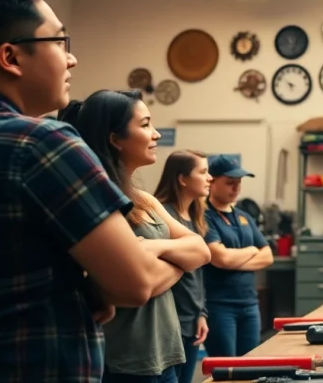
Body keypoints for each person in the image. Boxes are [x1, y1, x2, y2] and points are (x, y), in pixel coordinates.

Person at [0, 0, 172, 382]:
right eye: (59, 42)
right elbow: (135, 284)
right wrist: (96, 288)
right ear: (11, 57)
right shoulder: (41, 144)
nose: (71, 58)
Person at [59, 90, 212, 383]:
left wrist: (152, 247)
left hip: (164, 355)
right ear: (115, 139)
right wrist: (178, 258)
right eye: (145, 125)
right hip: (123, 364)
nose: (155, 134)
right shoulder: (93, 200)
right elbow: (138, 285)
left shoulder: (144, 199)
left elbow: (200, 251)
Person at [203, 154, 273, 358]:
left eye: (239, 183)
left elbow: (268, 256)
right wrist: (251, 251)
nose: (236, 188)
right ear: (212, 182)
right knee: (225, 370)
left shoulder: (244, 216)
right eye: (230, 183)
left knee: (249, 367)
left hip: (249, 305)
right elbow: (220, 259)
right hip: (219, 307)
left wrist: (232, 260)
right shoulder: (205, 216)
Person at [154, 150, 213, 383]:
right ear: (182, 178)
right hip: (170, 321)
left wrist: (201, 313)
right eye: (203, 172)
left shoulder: (194, 216)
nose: (210, 178)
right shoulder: (162, 214)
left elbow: (198, 274)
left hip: (191, 320)